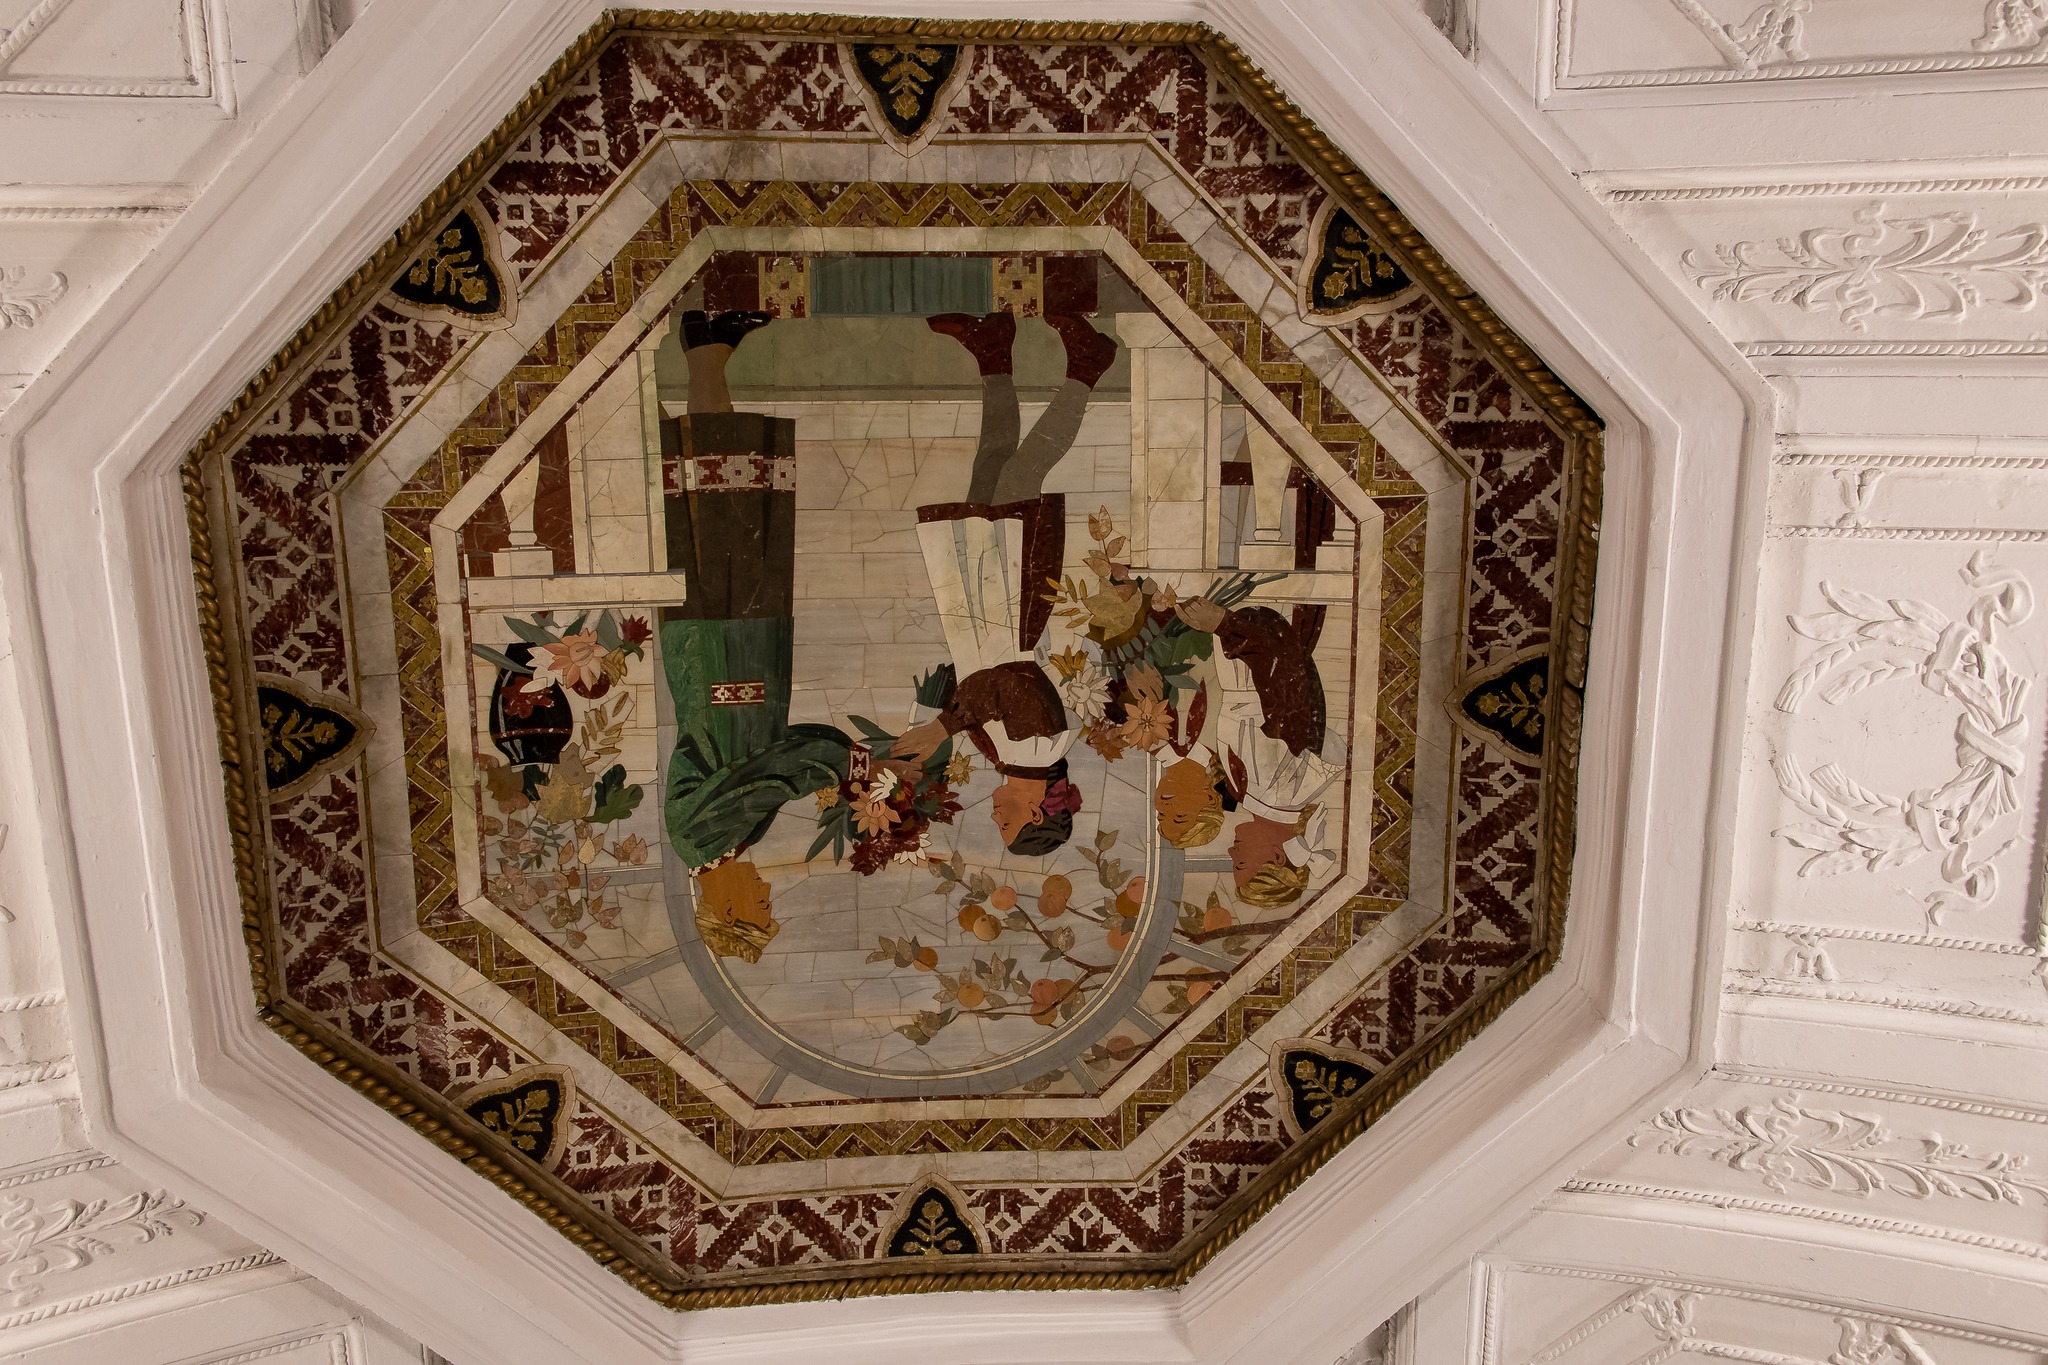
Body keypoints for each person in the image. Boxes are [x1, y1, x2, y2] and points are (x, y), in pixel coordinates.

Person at [660, 307, 853, 961]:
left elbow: (771, 772)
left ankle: (701, 351)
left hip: (714, 642)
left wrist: (846, 768)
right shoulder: (738, 839)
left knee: (713, 502)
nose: (768, 889)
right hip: (755, 648)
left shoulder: (698, 838)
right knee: (743, 500)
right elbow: (785, 752)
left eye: (760, 904)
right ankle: (710, 351)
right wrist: (845, 766)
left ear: (727, 907)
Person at [889, 309, 1119, 856]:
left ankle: (994, 352)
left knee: (989, 472)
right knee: (1021, 474)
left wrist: (928, 730)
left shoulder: (1007, 758)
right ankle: (1086, 368)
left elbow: (968, 689)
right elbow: (1008, 682)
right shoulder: (1040, 748)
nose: (995, 818)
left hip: (987, 607)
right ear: (1037, 811)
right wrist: (941, 730)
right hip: (1015, 603)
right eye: (1006, 826)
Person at [1153, 596, 1340, 908]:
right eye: (1240, 863)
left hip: (1238, 638)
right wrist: (1226, 625)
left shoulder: (1257, 795)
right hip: (1253, 621)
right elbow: (1286, 679)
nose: (1231, 852)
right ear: (1278, 856)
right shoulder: (1282, 788)